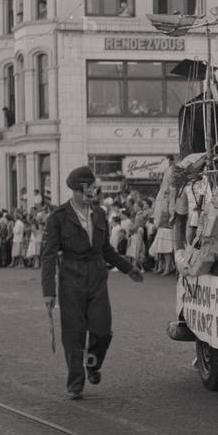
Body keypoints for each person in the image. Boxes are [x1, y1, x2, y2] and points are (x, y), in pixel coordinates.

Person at [41, 165, 144, 399]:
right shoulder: (58, 217)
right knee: (73, 333)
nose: (89, 195)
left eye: (91, 191)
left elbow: (106, 249)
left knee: (102, 331)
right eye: (85, 191)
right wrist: (48, 292)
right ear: (75, 191)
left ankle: (93, 365)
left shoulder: (98, 214)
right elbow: (48, 255)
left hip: (97, 276)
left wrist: (128, 269)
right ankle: (75, 383)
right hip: (70, 277)